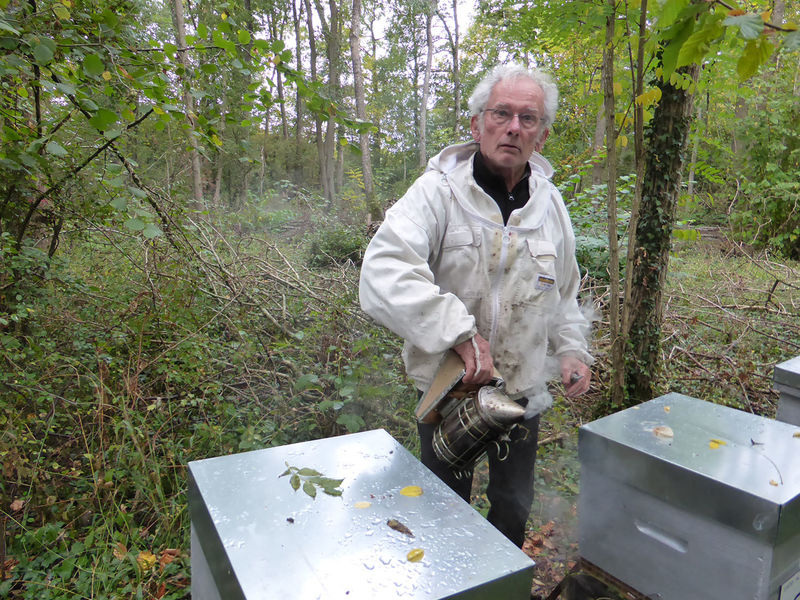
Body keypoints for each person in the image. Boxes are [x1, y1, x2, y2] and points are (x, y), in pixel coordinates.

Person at [358, 63, 593, 548]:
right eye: (501, 113)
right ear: (476, 124)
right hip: (451, 391)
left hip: (524, 391)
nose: (513, 127)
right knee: (444, 507)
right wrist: (459, 333)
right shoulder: (437, 193)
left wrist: (571, 348)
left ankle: (502, 583)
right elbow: (383, 271)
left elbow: (564, 293)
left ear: (542, 136)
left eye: (528, 119)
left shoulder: (551, 208)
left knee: (513, 505)